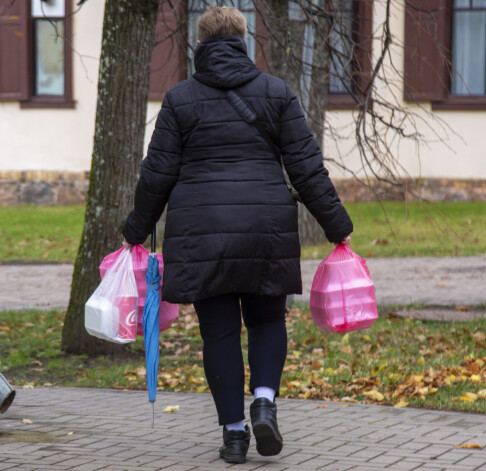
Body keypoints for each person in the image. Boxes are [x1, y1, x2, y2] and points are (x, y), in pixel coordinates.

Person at [122, 5, 352, 464]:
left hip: (201, 235)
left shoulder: (180, 99)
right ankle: (264, 401)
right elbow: (307, 168)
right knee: (267, 320)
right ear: (244, 42)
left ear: (200, 45)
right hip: (266, 230)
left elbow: (157, 174)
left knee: (219, 335)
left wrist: (136, 231)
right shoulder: (276, 93)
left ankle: (233, 436)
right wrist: (337, 227)